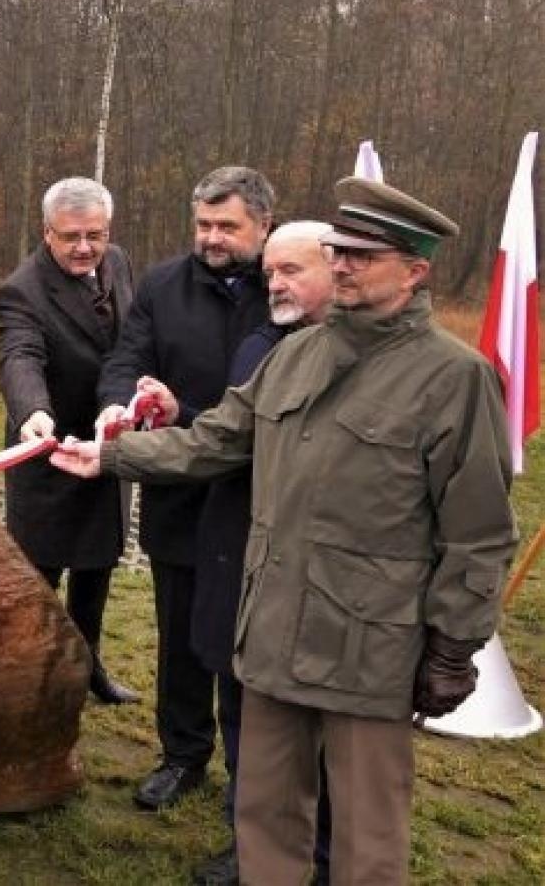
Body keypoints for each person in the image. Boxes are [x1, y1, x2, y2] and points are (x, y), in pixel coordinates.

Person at [54, 177, 515, 885]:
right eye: (340, 250)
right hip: (267, 636)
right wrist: (110, 454)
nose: (345, 265)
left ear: (416, 270)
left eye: (365, 254)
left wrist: (453, 644)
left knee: (364, 839)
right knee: (265, 820)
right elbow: (212, 440)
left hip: (367, 647)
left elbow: (478, 531)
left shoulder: (454, 378)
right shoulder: (296, 354)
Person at [95, 165, 274, 811]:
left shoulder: (284, 288)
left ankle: (253, 773)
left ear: (263, 225)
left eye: (227, 225)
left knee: (246, 646)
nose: (212, 237)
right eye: (203, 223)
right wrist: (117, 407)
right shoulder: (165, 284)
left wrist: (187, 417)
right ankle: (182, 752)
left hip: (257, 496)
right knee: (181, 634)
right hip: (179, 495)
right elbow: (127, 357)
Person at [177, 221, 336, 885]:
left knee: (315, 734)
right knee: (238, 709)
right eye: (271, 271)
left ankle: (324, 854)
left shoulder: (348, 360)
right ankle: (250, 844)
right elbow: (226, 434)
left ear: (339, 269)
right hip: (230, 554)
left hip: (306, 577)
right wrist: (171, 414)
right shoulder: (258, 344)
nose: (276, 282)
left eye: (292, 270)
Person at [0, 176, 139, 705]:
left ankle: (89, 664)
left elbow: (131, 335)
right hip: (48, 451)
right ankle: (26, 676)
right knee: (39, 576)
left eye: (94, 235)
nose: (84, 248)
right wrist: (33, 412)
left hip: (105, 447)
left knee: (98, 565)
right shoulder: (22, 290)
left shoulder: (118, 262)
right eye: (71, 236)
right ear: (46, 232)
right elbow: (19, 356)